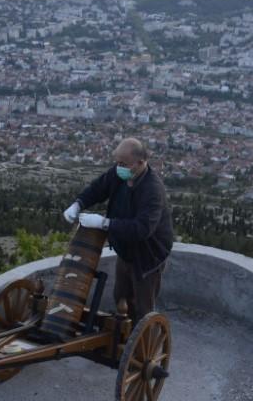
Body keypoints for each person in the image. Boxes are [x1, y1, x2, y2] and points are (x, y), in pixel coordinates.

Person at [63, 138, 174, 324]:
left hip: (147, 257)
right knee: (121, 298)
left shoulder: (152, 190)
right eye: (117, 162)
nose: (118, 167)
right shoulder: (121, 174)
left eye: (123, 164)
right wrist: (78, 204)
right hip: (126, 251)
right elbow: (99, 188)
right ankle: (123, 337)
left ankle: (142, 347)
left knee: (142, 307)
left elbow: (142, 229)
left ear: (140, 163)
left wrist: (105, 223)